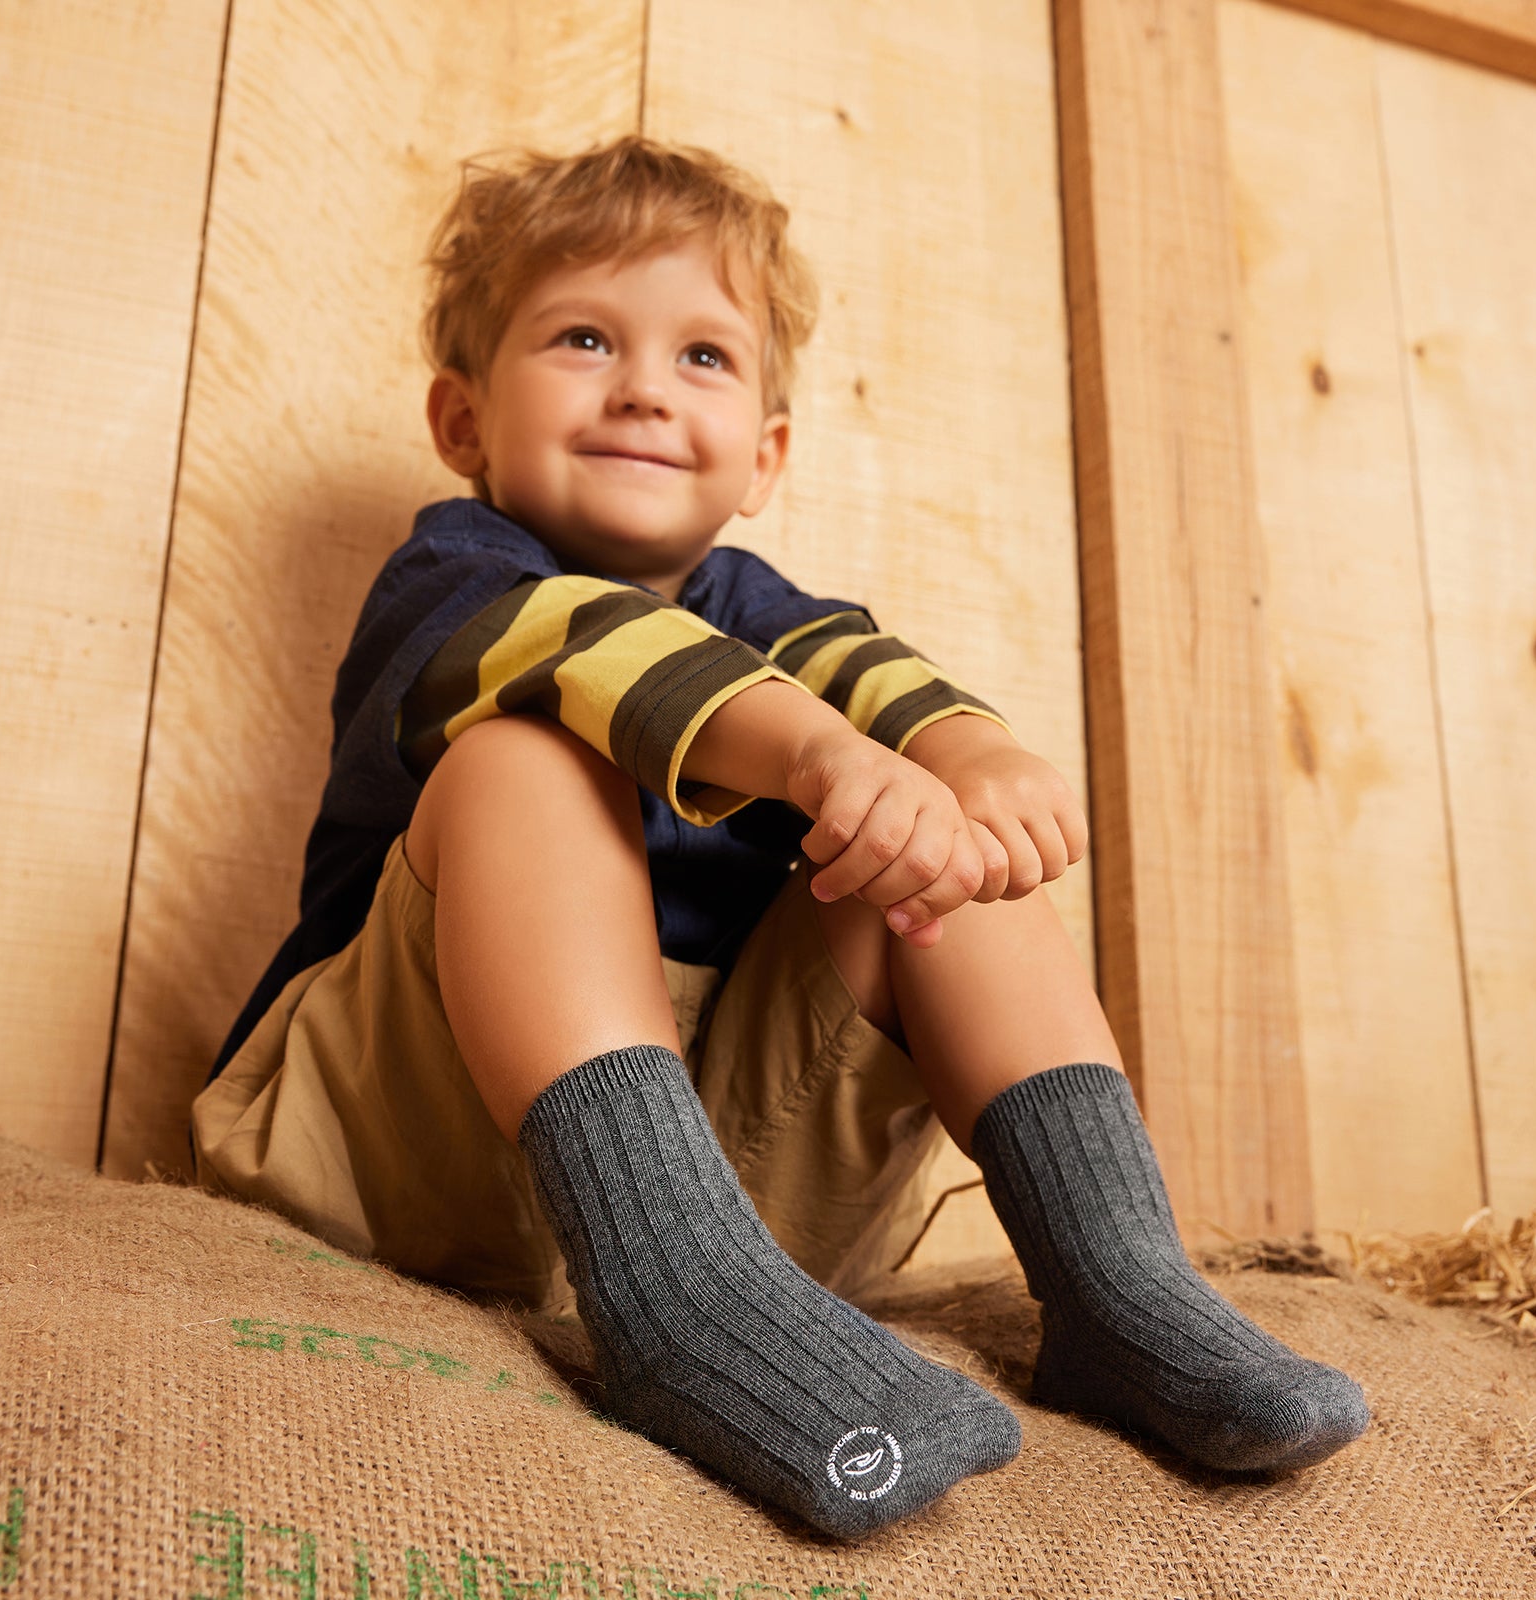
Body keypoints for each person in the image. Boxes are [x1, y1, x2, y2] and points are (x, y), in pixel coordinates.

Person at [193, 135, 1368, 1538]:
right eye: (582, 338)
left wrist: (968, 757)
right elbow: (595, 652)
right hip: (395, 1148)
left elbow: (871, 680)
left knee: (933, 847)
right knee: (528, 756)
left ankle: (1116, 1280)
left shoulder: (775, 614)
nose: (641, 385)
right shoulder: (458, 574)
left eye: (704, 357)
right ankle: (674, 1301)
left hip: (739, 1169)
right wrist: (820, 752)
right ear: (461, 421)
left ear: (765, 453)